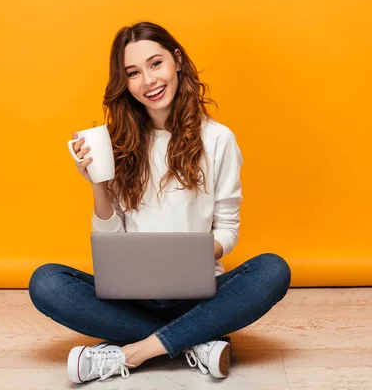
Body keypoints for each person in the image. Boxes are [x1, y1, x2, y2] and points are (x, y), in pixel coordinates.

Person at [28, 21, 291, 384]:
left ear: (177, 61)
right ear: (124, 83)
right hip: (132, 297)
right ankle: (194, 342)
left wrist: (187, 261)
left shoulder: (218, 139)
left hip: (199, 294)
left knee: (273, 270)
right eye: (133, 73)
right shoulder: (115, 143)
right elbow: (111, 239)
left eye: (156, 64)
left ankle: (133, 352)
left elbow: (228, 229)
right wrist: (98, 185)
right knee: (46, 283)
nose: (148, 81)